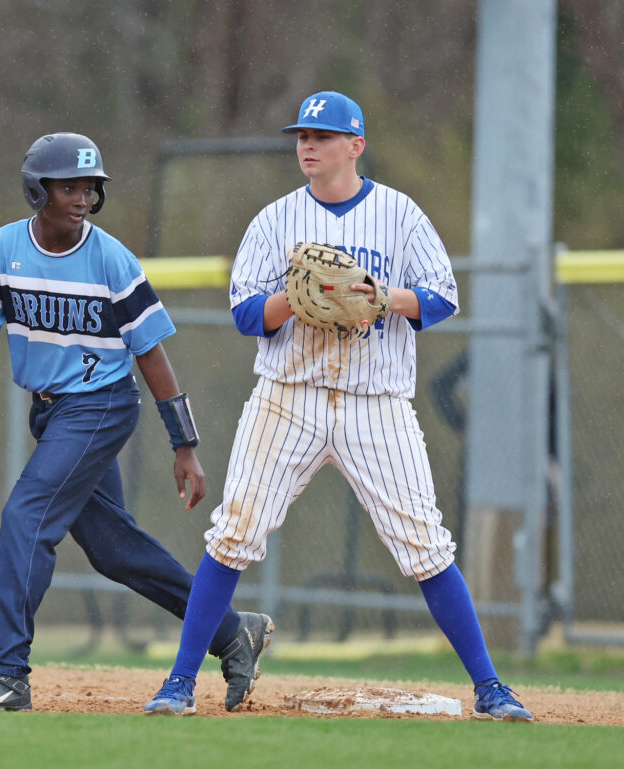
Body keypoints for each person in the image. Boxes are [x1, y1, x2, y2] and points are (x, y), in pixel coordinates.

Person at [143, 92, 534, 722]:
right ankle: (179, 683)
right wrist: (295, 300)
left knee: (425, 546)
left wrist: (380, 296)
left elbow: (442, 299)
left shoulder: (400, 215)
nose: (307, 145)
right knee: (233, 533)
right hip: (286, 398)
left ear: (355, 145)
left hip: (375, 403)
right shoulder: (273, 220)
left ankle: (491, 688)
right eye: (302, 135)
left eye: (322, 136)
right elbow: (246, 314)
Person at [0, 132, 273, 712]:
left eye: (91, 187)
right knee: (112, 548)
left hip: (101, 405)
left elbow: (153, 355)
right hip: (51, 410)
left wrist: (184, 443)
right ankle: (230, 632)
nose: (83, 197)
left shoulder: (113, 260)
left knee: (27, 514)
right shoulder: (1, 250)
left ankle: (7, 672)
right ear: (35, 191)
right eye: (69, 186)